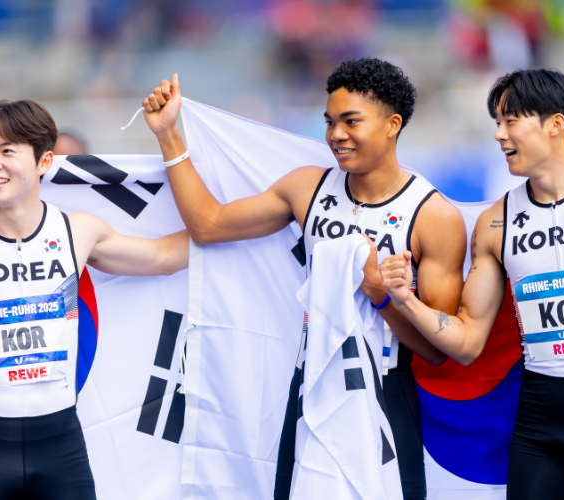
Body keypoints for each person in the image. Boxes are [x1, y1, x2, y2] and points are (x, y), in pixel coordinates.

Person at [140, 58, 467, 500]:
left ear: (392, 124)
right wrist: (168, 134)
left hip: (386, 388)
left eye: (351, 121)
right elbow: (209, 224)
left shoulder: (434, 216)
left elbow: (437, 350)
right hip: (311, 382)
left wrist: (380, 293)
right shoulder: (307, 188)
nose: (336, 134)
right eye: (330, 122)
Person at [380, 68, 564, 500]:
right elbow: (467, 343)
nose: (499, 134)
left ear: (555, 123)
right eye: (496, 122)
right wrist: (405, 300)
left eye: (510, 120)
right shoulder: (495, 223)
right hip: (540, 426)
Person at [0, 100, 189, 500]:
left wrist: (167, 134)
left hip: (61, 449)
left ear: (44, 161)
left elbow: (166, 257)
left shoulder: (77, 233)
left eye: (7, 150)